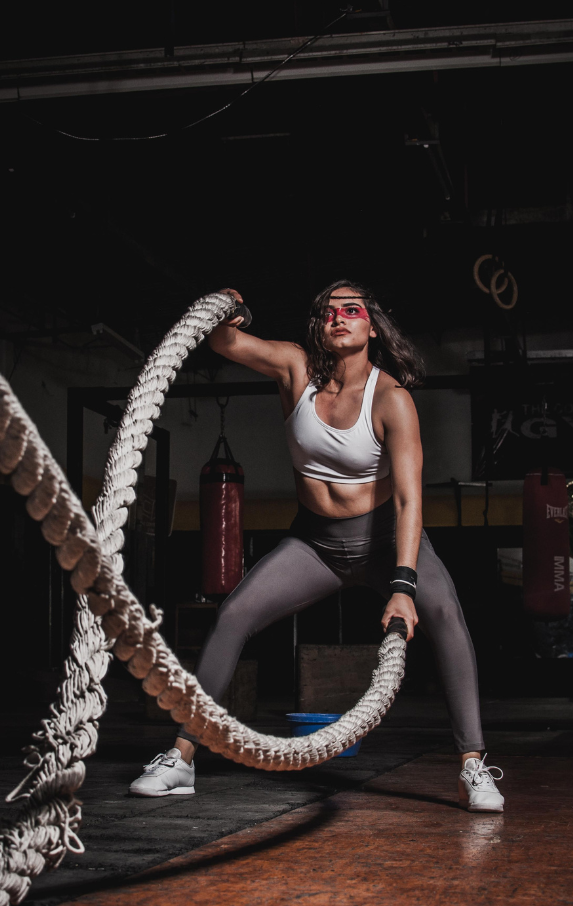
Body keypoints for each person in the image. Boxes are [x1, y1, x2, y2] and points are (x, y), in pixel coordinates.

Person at [130, 281, 504, 812]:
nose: (339, 318)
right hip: (315, 544)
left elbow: (408, 502)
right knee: (234, 612)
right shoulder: (295, 369)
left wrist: (402, 586)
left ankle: (473, 766)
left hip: (384, 539)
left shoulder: (392, 399)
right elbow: (222, 344)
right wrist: (232, 307)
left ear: (371, 325)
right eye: (328, 312)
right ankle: (182, 757)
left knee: (443, 610)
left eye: (351, 310)